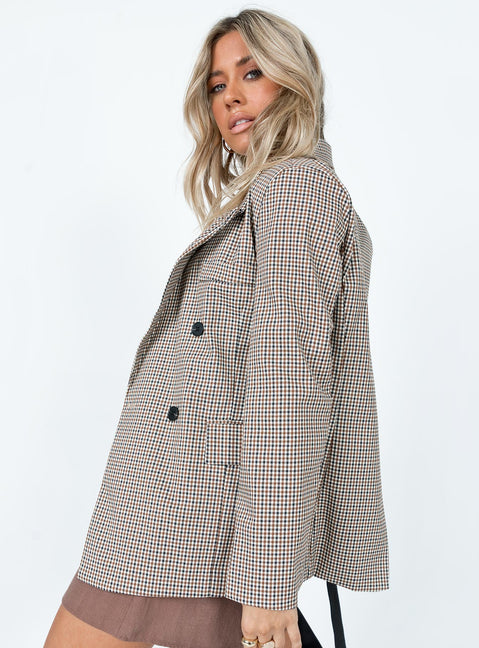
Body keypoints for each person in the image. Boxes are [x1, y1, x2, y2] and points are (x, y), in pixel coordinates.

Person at [43, 8, 389, 648]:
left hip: (197, 514)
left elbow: (288, 384)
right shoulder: (271, 193)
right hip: (180, 509)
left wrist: (269, 579)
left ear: (293, 80)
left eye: (251, 73)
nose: (230, 95)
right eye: (216, 84)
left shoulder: (297, 189)